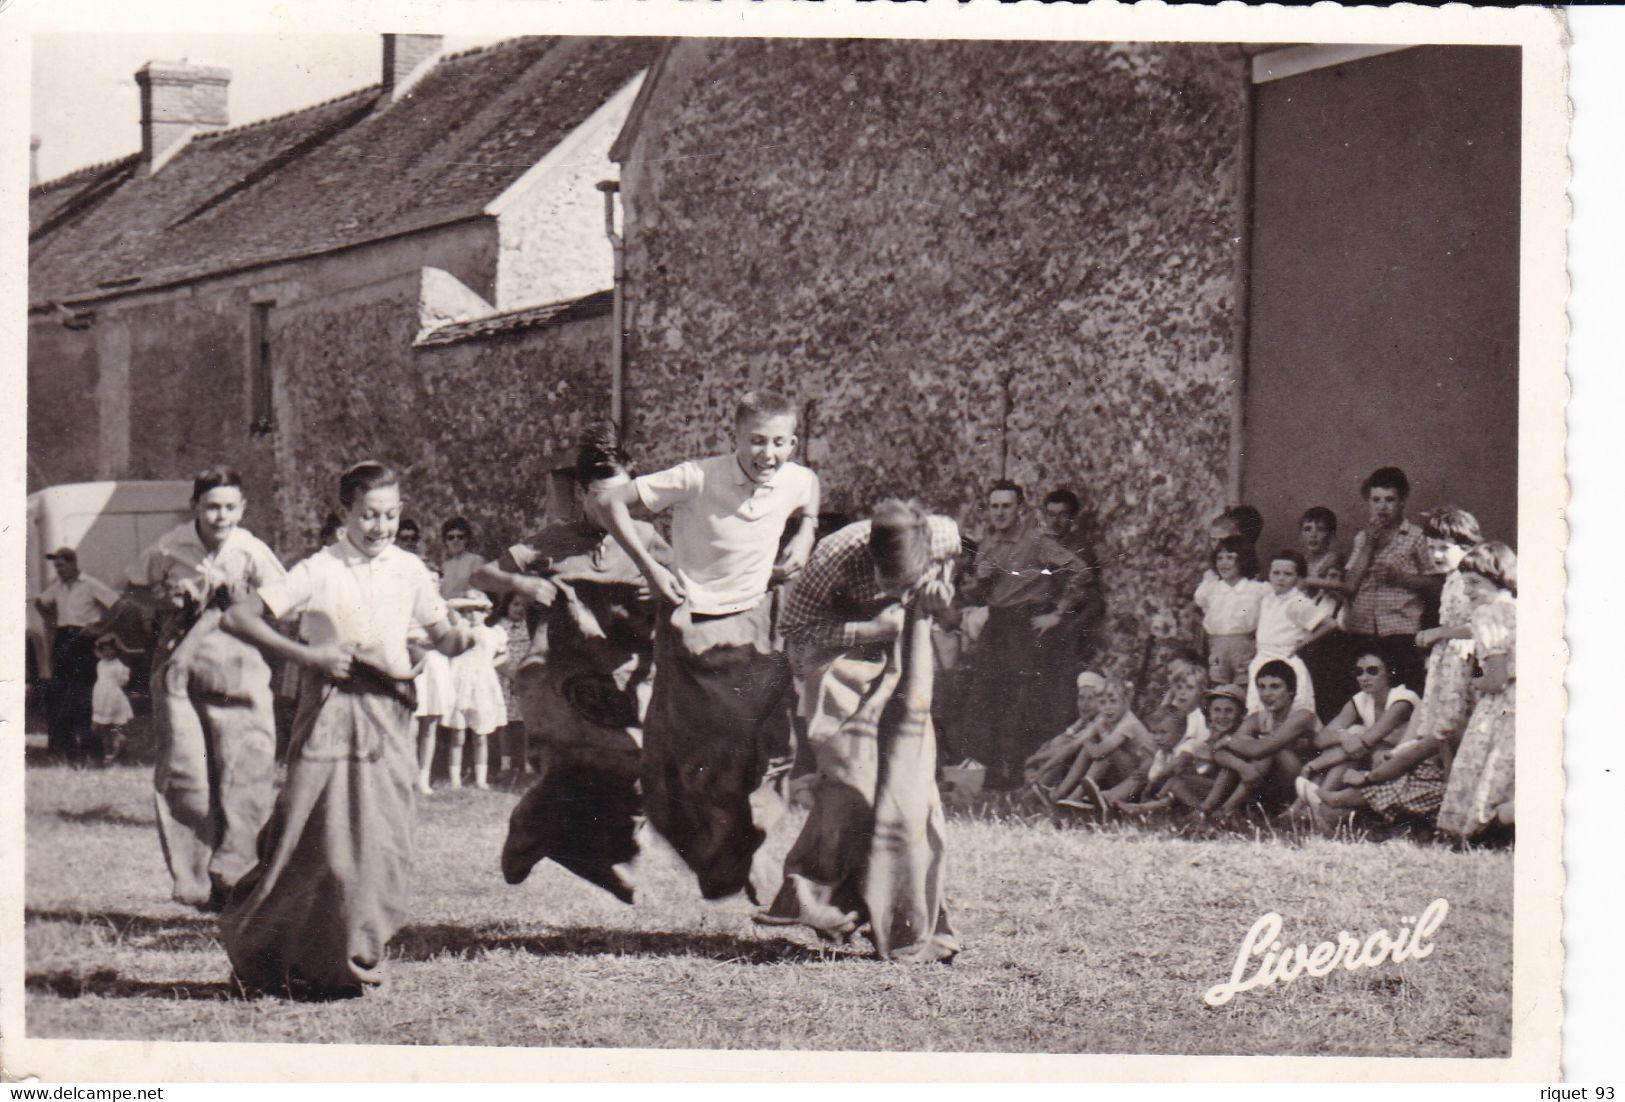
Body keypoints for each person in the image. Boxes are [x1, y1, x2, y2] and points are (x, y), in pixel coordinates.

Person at [220, 460, 476, 998]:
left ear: (401, 513)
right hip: (331, 714)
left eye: (389, 515)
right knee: (319, 843)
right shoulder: (319, 569)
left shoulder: (409, 569)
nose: (379, 527)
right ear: (344, 513)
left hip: (389, 715)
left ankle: (357, 957)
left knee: (383, 845)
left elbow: (443, 638)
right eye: (367, 515)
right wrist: (307, 655)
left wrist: (467, 631)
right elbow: (239, 617)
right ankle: (273, 954)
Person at [588, 391, 819, 900]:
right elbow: (610, 503)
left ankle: (737, 855)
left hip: (755, 623)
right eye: (756, 441)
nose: (768, 454)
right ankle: (726, 861)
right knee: (698, 757)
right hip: (691, 628)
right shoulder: (696, 476)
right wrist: (652, 568)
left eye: (779, 442)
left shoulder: (796, 478)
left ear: (793, 442)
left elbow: (810, 497)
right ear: (733, 438)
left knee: (768, 745)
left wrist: (804, 537)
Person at [755, 499, 961, 961]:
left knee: (907, 793)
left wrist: (938, 597)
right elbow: (795, 636)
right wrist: (868, 629)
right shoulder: (832, 557)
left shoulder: (944, 535)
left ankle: (907, 923)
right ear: (870, 558)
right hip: (838, 666)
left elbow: (949, 593)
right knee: (852, 786)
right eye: (891, 583)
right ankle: (817, 901)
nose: (899, 590)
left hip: (907, 661)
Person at [482, 437, 672, 903]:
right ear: (582, 494)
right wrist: (520, 581)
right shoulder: (551, 542)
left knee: (644, 769)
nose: (611, 510)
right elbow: (482, 576)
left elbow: (681, 592)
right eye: (600, 498)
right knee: (572, 767)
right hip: (565, 683)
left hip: (629, 678)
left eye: (621, 498)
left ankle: (587, 854)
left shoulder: (646, 541)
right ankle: (534, 831)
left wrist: (661, 593)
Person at [126, 468, 286, 910]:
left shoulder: (251, 549)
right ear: (195, 506)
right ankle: (195, 880)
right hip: (181, 665)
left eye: (230, 507)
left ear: (242, 509)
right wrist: (168, 598)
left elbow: (285, 599)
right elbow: (134, 590)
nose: (221, 516)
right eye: (212, 506)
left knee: (246, 767)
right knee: (186, 771)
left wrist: (246, 601)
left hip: (239, 663)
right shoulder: (170, 545)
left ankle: (239, 874)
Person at [960, 480, 1091, 789]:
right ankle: (991, 776)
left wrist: (1058, 613)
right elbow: (973, 594)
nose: (1000, 513)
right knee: (986, 698)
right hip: (996, 624)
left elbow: (1081, 571)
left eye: (1007, 506)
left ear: (1020, 509)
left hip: (1025, 624)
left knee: (1021, 702)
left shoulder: (1036, 541)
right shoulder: (988, 544)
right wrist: (978, 580)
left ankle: (1019, 775)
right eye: (995, 506)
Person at [1436, 542, 1518, 841]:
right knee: (1505, 767)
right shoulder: (1518, 609)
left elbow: (1496, 679)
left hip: (1501, 703)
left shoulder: (1487, 615)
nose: (1468, 591)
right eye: (1464, 583)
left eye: (1475, 583)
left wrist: (1476, 684)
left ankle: (1470, 828)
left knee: (1482, 760)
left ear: (1497, 581)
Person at [1342, 467, 1437, 696]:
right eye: (1376, 500)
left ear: (1402, 501)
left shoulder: (1416, 537)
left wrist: (1401, 578)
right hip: (1363, 627)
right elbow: (1350, 585)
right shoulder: (1363, 538)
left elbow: (1436, 584)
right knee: (1364, 695)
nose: (1382, 507)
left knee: (1403, 693)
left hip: (1400, 628)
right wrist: (1369, 545)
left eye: (1389, 500)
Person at [1405, 508, 1485, 751]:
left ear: (1467, 547)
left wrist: (1440, 633)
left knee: (1456, 726)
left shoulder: (1472, 579)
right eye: (1431, 548)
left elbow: (1480, 625)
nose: (1436, 555)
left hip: (1467, 659)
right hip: (1448, 660)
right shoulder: (1452, 578)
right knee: (1442, 729)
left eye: (1444, 548)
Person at [36, 547, 121, 765]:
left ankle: (90, 746)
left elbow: (119, 604)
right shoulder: (58, 587)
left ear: (73, 563)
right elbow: (40, 603)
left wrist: (100, 628)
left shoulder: (90, 584)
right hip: (64, 640)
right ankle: (63, 747)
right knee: (60, 692)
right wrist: (51, 621)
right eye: (56, 567)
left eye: (62, 566)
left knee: (86, 693)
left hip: (84, 641)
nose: (58, 571)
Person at [1203, 660, 1319, 816]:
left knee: (1267, 749)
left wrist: (1230, 741)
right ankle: (1206, 808)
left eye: (1275, 687)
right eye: (1262, 687)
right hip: (1270, 784)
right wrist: (1242, 766)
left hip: (1302, 785)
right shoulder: (1259, 718)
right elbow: (1219, 751)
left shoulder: (1302, 715)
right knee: (1243, 750)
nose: (1267, 693)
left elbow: (1261, 749)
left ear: (1291, 690)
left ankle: (1227, 809)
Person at [1299, 649, 1420, 793]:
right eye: (1359, 672)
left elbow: (1368, 740)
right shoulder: (1361, 699)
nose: (1364, 677)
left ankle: (1313, 794)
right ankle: (1312, 799)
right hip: (1377, 757)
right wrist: (1342, 736)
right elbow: (1320, 739)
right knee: (1351, 740)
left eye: (1372, 671)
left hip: (1409, 760)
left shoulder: (1403, 699)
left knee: (1356, 737)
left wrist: (1313, 765)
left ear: (1389, 672)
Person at [1038, 489, 1108, 728]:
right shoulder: (1040, 544)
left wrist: (1064, 619)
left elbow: (1087, 591)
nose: (1055, 521)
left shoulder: (1080, 549)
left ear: (1072, 519)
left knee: (1065, 690)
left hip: (1070, 627)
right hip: (1042, 623)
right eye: (1050, 514)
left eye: (1063, 515)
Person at [1243, 550, 1336, 716]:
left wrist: (1304, 642)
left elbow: (1330, 624)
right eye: (1276, 573)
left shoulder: (1297, 601)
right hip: (1261, 660)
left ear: (1298, 578)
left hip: (1284, 661)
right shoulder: (1268, 598)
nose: (1280, 578)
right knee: (1258, 711)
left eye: (1288, 574)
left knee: (1288, 712)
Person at [443, 591, 506, 790]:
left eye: (477, 611)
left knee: (481, 734)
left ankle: (480, 779)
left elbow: (504, 654)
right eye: (468, 611)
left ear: (486, 612)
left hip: (482, 684)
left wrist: (489, 665)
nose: (472, 615)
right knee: (458, 734)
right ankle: (455, 779)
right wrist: (473, 602)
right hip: (460, 681)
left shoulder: (494, 632)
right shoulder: (460, 627)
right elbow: (450, 604)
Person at [1194, 535, 1268, 687]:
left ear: (1243, 559)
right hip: (1217, 645)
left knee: (1244, 684)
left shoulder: (1255, 589)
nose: (1224, 563)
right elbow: (1200, 601)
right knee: (1217, 683)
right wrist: (1208, 579)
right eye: (1220, 558)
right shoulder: (1212, 588)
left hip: (1244, 646)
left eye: (1230, 557)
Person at [495, 592, 535, 776]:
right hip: (503, 677)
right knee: (504, 721)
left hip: (525, 677)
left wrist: (522, 675)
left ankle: (527, 762)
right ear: (507, 606)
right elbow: (494, 655)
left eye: (523, 606)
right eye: (516, 604)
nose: (520, 609)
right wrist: (510, 674)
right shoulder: (498, 628)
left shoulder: (530, 628)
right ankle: (505, 763)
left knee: (525, 722)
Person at [91, 633, 135, 765]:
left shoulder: (119, 666)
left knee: (116, 726)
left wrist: (124, 673)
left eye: (111, 649)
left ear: (117, 650)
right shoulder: (100, 664)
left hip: (113, 699)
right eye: (104, 649)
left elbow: (122, 683)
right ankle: (107, 752)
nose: (108, 652)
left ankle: (116, 752)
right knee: (100, 728)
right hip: (101, 697)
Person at [437, 517, 484, 600]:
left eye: (460, 537)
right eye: (451, 537)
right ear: (446, 541)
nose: (456, 540)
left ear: (466, 539)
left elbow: (476, 592)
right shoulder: (445, 566)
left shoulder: (476, 561)